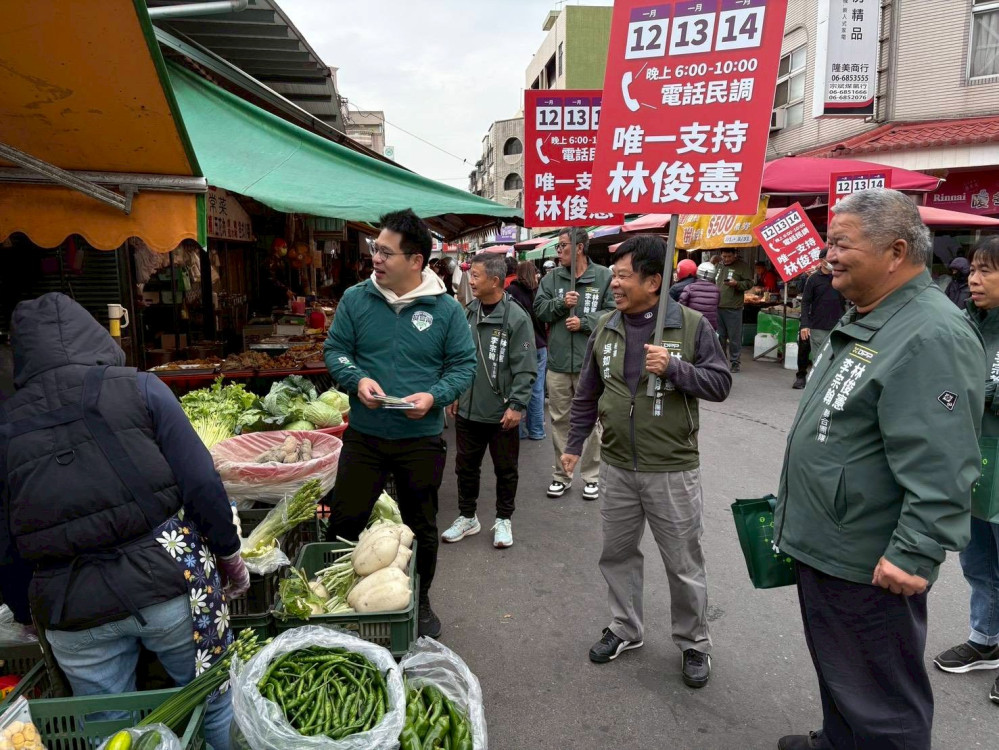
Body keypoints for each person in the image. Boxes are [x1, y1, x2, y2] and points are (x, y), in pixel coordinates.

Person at [774, 189, 985, 750]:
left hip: (871, 559)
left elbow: (943, 459)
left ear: (895, 252)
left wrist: (914, 550)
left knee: (883, 705)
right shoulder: (872, 315)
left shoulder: (929, 332)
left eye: (840, 244)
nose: (828, 256)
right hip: (833, 543)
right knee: (842, 673)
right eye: (827, 243)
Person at [0, 293, 248, 750]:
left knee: (109, 726)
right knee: (213, 700)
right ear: (89, 334)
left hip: (69, 608)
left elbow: (3, 541)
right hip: (170, 586)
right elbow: (201, 483)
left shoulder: (6, 424)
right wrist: (230, 554)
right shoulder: (141, 388)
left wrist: (24, 610)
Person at [560, 235, 731, 687]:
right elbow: (587, 393)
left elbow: (719, 384)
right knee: (617, 554)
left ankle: (693, 641)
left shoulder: (691, 326)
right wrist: (575, 444)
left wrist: (675, 368)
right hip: (616, 464)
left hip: (671, 468)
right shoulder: (606, 326)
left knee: (683, 562)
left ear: (654, 281)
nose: (613, 284)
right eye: (613, 275)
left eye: (622, 275)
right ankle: (625, 628)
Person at [323, 209, 477, 639]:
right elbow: (335, 351)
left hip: (420, 439)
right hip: (365, 437)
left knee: (421, 526)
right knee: (344, 521)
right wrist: (357, 379)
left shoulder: (445, 310)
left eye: (386, 252)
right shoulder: (356, 299)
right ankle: (339, 596)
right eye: (376, 249)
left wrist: (435, 396)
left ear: (417, 261)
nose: (376, 258)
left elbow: (463, 366)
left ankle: (420, 598)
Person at [932, 237, 999, 705]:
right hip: (973, 461)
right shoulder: (967, 323)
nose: (974, 279)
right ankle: (986, 638)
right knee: (978, 562)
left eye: (987, 270)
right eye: (974, 269)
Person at [442, 255, 537, 549]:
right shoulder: (468, 313)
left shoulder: (517, 318)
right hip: (468, 408)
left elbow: (526, 366)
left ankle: (503, 519)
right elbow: (458, 358)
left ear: (494, 281)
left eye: (476, 276)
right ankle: (467, 517)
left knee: (506, 469)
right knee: (465, 467)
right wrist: (455, 391)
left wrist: (518, 405)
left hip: (502, 413)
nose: (470, 280)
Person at [534, 226, 615, 500]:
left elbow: (614, 312)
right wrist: (560, 303)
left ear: (579, 247)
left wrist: (585, 323)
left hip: (589, 363)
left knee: (592, 421)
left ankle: (591, 476)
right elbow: (539, 310)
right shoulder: (552, 278)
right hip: (557, 363)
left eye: (563, 246)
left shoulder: (603, 276)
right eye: (557, 247)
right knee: (560, 420)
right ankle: (561, 474)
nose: (559, 252)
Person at [507, 260, 548, 441]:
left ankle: (519, 430)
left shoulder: (511, 292)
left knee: (518, 387)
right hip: (539, 345)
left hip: (520, 346)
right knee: (537, 390)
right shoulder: (539, 292)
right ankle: (537, 430)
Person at [792, 252, 845, 390]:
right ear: (822, 261)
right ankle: (806, 380)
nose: (833, 261)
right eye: (829, 259)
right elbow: (805, 302)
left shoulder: (840, 276)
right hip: (817, 325)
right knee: (818, 357)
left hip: (837, 324)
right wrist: (805, 324)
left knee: (834, 357)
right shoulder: (813, 279)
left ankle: (827, 385)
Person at [713, 249, 753, 372]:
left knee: (734, 337)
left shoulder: (742, 266)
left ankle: (735, 362)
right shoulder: (718, 265)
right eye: (724, 256)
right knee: (720, 336)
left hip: (733, 308)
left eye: (729, 256)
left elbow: (749, 283)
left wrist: (736, 284)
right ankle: (721, 361)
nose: (726, 259)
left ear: (735, 255)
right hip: (718, 306)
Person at [679, 262, 720, 329]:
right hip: (710, 325)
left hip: (693, 323)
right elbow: (717, 304)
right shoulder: (716, 290)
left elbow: (681, 305)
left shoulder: (689, 287)